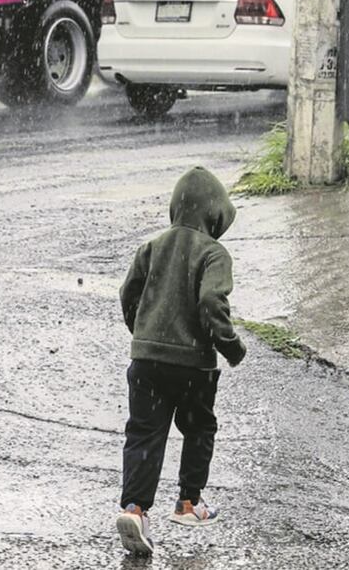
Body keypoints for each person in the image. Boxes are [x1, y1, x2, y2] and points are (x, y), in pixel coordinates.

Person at [114, 166, 246, 555]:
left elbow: (128, 294)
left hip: (146, 360)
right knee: (199, 427)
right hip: (193, 365)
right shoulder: (213, 253)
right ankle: (189, 503)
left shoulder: (152, 246)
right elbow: (210, 301)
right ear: (216, 215)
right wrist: (230, 345)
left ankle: (135, 509)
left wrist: (144, 334)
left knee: (144, 431)